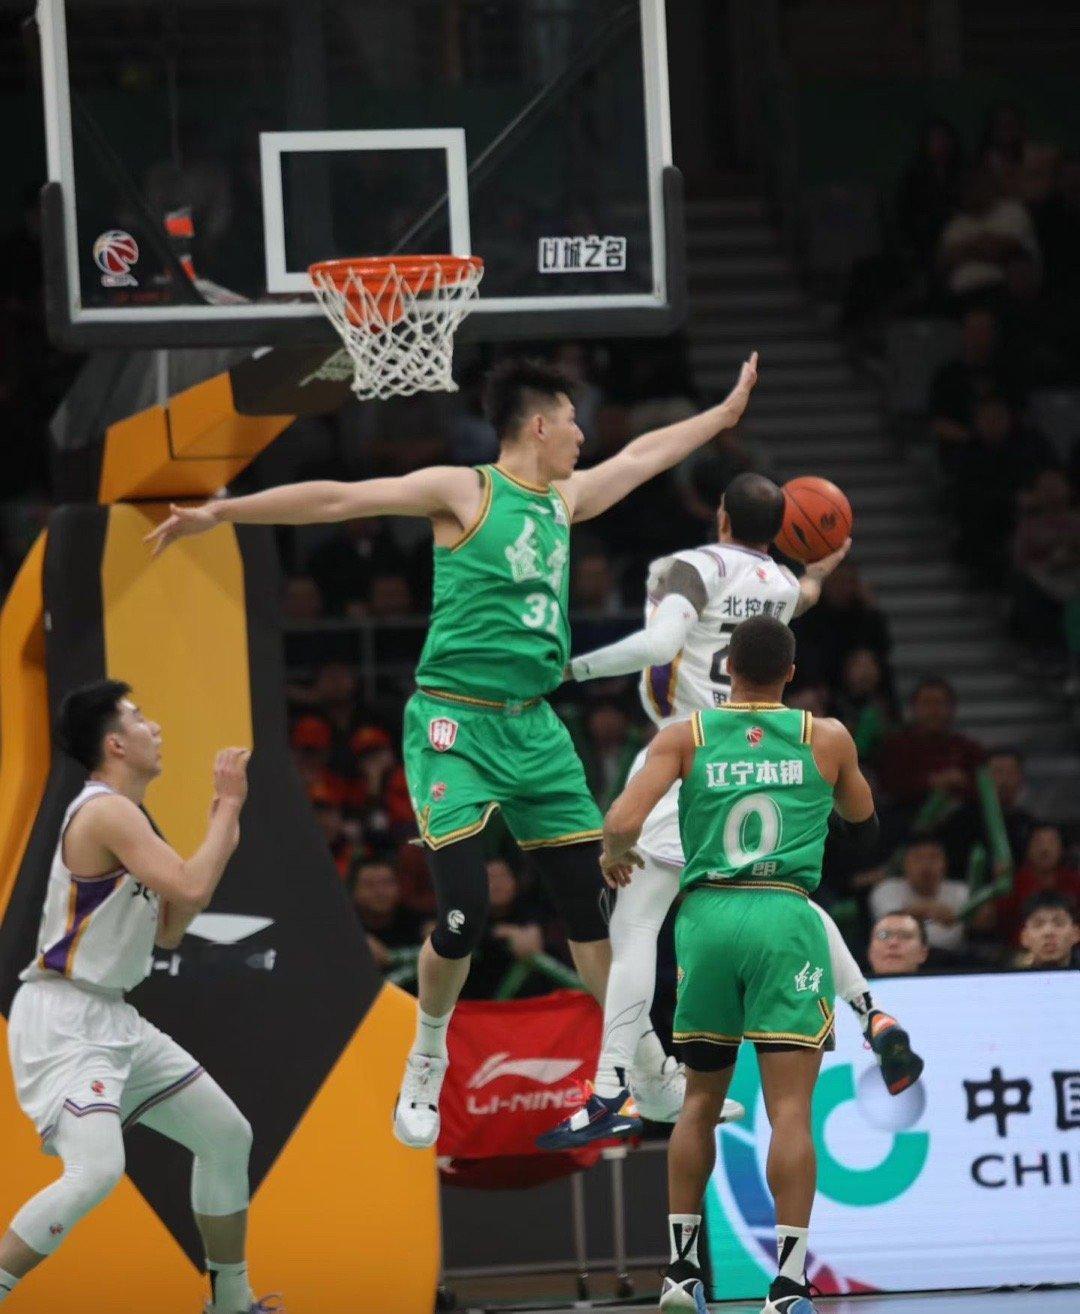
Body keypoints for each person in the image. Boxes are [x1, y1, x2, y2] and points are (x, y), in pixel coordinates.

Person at [145, 351, 761, 1152]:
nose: (583, 436)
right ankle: (426, 1060)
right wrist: (221, 513)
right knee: (464, 915)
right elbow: (338, 498)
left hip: (534, 728)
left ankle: (646, 1071)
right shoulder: (464, 490)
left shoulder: (564, 499)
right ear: (538, 426)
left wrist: (721, 415)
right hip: (454, 726)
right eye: (572, 422)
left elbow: (643, 457)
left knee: (589, 909)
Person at [538, 474, 921, 1151]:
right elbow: (803, 594)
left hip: (690, 752)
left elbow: (656, 646)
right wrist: (821, 566)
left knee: (635, 928)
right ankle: (871, 1010)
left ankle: (610, 1087)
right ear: (779, 531)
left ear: (720, 516)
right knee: (784, 899)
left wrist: (569, 670)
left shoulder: (693, 567)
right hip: (764, 758)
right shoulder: (780, 586)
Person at [593, 616, 895, 1314]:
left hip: (706, 921)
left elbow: (621, 822)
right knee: (789, 1110)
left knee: (698, 1102)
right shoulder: (827, 737)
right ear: (791, 673)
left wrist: (615, 856)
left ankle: (679, 1273)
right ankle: (786, 1285)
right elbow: (866, 829)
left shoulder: (684, 736)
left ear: (726, 668)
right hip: (784, 917)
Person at [0, 681, 274, 1313]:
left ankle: (231, 1301)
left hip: (112, 1016)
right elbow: (191, 886)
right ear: (116, 744)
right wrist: (228, 809)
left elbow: (172, 926)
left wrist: (222, 834)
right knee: (96, 1172)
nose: (155, 727)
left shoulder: (132, 819)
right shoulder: (106, 811)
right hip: (64, 1018)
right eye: (139, 717)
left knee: (227, 1135)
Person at [869, 838, 969, 955]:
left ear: (945, 863)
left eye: (933, 858)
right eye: (918, 858)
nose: (926, 865)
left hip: (953, 958)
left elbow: (980, 923)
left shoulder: (961, 891)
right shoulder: (886, 889)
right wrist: (930, 910)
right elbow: (890, 921)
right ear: (905, 864)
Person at [1017, 892, 1079, 970]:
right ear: (1024, 937)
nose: (1048, 932)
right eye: (1038, 925)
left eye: (1058, 923)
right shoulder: (1009, 975)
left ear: (1076, 934)